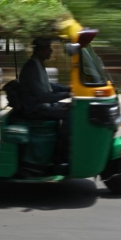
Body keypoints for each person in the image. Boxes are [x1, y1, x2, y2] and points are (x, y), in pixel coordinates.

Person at [18, 38, 71, 166]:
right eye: (48, 48)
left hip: (40, 105)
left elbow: (48, 85)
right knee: (70, 113)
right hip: (34, 109)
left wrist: (68, 89)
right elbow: (44, 97)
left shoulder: (38, 64)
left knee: (73, 108)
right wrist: (68, 94)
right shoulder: (31, 68)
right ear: (40, 50)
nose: (51, 50)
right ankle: (61, 154)